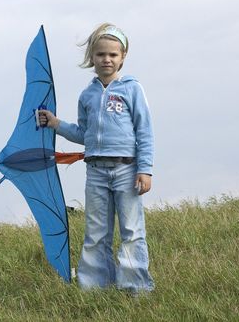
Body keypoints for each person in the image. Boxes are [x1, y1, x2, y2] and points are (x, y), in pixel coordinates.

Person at [39, 23, 155, 293]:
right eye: (101, 54)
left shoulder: (132, 89)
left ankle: (135, 288)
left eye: (113, 55)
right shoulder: (87, 95)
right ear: (92, 57)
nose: (107, 59)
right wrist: (56, 124)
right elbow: (84, 134)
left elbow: (145, 131)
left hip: (127, 170)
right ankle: (95, 288)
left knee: (132, 231)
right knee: (96, 232)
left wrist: (145, 169)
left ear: (123, 56)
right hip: (96, 172)